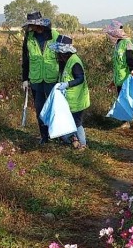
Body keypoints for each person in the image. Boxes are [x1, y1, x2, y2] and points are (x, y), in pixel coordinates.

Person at [21, 11, 60, 144]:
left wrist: (63, 76)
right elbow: (25, 58)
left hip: (52, 78)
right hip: (36, 79)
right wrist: (24, 78)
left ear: (39, 24)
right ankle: (44, 136)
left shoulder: (54, 34)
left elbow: (62, 56)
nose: (30, 27)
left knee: (54, 108)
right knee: (40, 109)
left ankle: (56, 134)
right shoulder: (29, 37)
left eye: (32, 24)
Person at [51, 35, 90, 150]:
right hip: (69, 99)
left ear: (65, 52)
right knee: (68, 121)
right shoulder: (65, 61)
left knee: (77, 123)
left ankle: (83, 144)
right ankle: (73, 140)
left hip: (77, 99)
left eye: (59, 52)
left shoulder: (74, 62)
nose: (57, 55)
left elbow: (80, 79)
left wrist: (67, 84)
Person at [105, 23, 133, 130]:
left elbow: (130, 57)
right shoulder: (118, 44)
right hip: (120, 78)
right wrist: (113, 81)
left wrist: (132, 70)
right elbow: (117, 65)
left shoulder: (127, 42)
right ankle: (126, 122)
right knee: (122, 101)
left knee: (132, 99)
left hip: (128, 77)